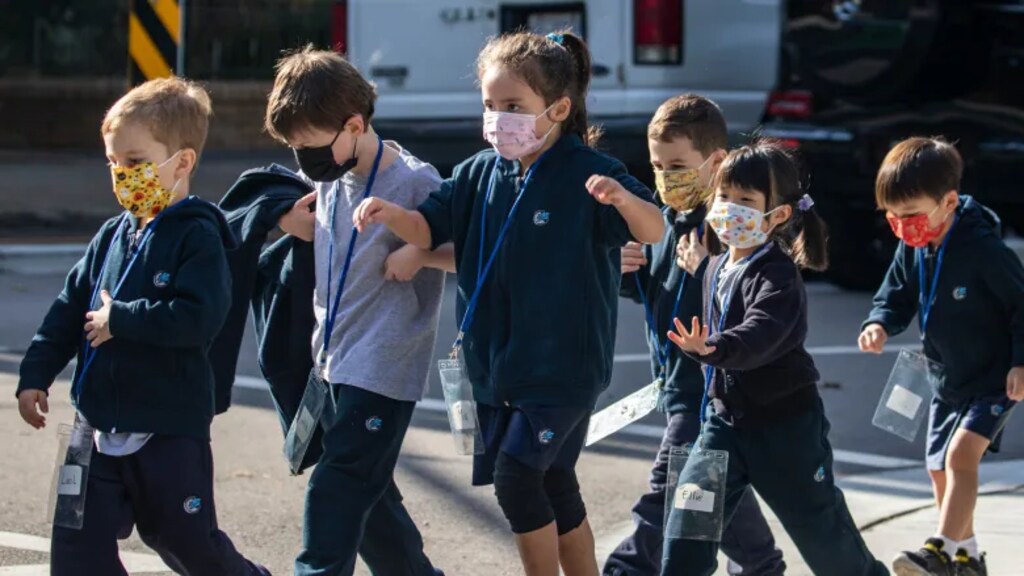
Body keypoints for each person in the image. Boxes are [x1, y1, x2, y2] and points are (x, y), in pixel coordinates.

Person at [353, 30, 664, 576]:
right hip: (496, 369)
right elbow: (429, 228)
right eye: (489, 106)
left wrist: (623, 198)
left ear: (558, 108)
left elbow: (654, 228)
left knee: (516, 476)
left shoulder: (585, 171)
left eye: (514, 107)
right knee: (554, 483)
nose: (499, 119)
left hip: (563, 370)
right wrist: (390, 215)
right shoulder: (477, 173)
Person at [16, 77, 269, 576]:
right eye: (113, 163)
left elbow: (199, 318)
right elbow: (70, 307)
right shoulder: (112, 234)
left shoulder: (198, 235)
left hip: (167, 427)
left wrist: (122, 319)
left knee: (187, 543)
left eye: (135, 163)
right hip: (93, 425)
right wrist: (35, 373)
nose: (122, 175)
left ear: (182, 163)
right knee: (75, 547)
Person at [265, 45, 453, 576]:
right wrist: (288, 220)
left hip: (386, 364)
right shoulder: (329, 179)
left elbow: (472, 252)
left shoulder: (416, 181)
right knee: (372, 504)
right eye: (295, 148)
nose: (305, 160)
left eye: (310, 146)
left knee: (338, 484)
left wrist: (419, 253)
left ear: (353, 124)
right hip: (333, 360)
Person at [665, 140, 889, 576]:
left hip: (784, 432)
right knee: (688, 526)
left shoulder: (778, 274)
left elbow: (761, 332)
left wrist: (715, 348)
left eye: (745, 201)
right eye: (724, 197)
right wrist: (699, 267)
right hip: (722, 427)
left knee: (823, 535)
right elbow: (716, 281)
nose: (730, 208)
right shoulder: (718, 263)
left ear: (778, 215)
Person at [604, 94, 784, 576]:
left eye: (678, 165)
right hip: (678, 388)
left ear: (717, 161)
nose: (665, 177)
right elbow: (659, 295)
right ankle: (762, 567)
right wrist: (625, 272)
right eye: (657, 166)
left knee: (669, 497)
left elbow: (752, 305)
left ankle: (624, 571)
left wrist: (708, 268)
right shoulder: (662, 223)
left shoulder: (730, 228)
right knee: (716, 494)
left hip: (709, 393)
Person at [859, 137, 1024, 576]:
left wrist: (1021, 362)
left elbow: (1021, 305)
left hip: (992, 378)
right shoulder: (915, 243)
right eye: (893, 217)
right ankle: (968, 554)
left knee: (960, 458)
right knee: (938, 470)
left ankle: (941, 549)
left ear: (949, 201)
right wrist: (877, 323)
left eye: (911, 214)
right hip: (944, 378)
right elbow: (894, 294)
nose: (902, 226)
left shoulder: (983, 250)